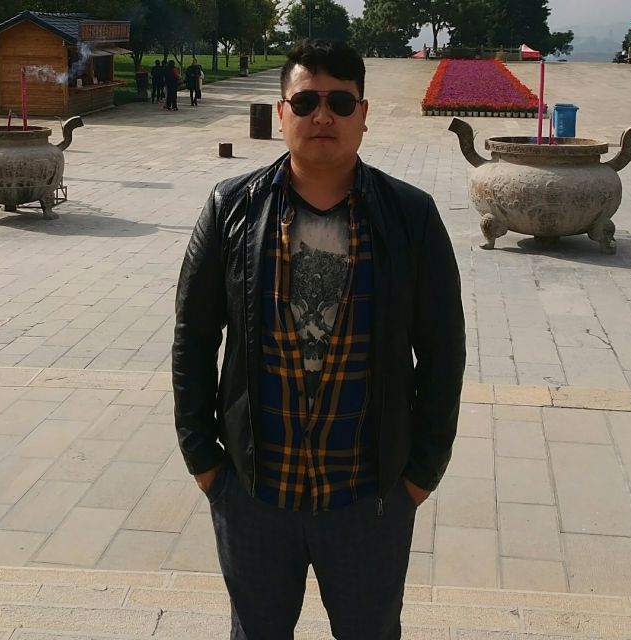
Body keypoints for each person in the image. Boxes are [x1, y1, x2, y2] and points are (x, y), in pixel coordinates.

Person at [173, 39, 465, 640]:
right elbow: (193, 339)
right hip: (256, 494)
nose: (322, 115)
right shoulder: (231, 209)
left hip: (368, 498)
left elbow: (443, 351)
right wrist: (205, 462)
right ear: (282, 114)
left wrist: (420, 474)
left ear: (363, 113)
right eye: (306, 102)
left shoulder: (410, 216)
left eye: (340, 102)